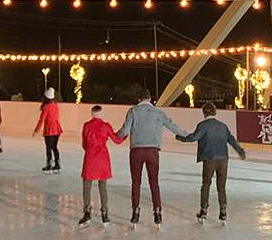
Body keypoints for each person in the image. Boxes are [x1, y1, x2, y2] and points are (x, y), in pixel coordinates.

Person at [116, 89, 188, 226]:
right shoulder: (158, 112)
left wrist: (113, 135)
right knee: (154, 182)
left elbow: (124, 131)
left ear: (139, 99)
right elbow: (172, 126)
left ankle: (135, 213)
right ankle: (157, 212)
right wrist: (186, 135)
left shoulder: (133, 111)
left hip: (136, 151)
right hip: (152, 151)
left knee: (136, 182)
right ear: (150, 99)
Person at [175, 102, 247, 223]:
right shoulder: (222, 126)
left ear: (204, 113)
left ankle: (203, 211)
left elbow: (193, 137)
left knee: (206, 184)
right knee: (221, 187)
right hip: (223, 159)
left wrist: (180, 137)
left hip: (209, 159)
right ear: (215, 112)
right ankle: (223, 212)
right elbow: (231, 140)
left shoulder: (203, 125)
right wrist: (240, 151)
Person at [79, 105, 123, 226]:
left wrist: (90, 150)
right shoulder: (106, 126)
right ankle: (104, 214)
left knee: (87, 186)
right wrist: (125, 134)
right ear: (101, 114)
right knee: (102, 186)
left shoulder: (86, 126)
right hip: (103, 158)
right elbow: (117, 140)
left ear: (92, 114)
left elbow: (84, 144)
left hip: (90, 157)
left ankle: (87, 213)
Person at [34, 88, 63, 174]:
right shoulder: (55, 105)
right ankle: (57, 164)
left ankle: (49, 165)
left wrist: (36, 130)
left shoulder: (46, 107)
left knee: (48, 148)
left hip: (50, 130)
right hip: (57, 129)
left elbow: (41, 119)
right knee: (54, 147)